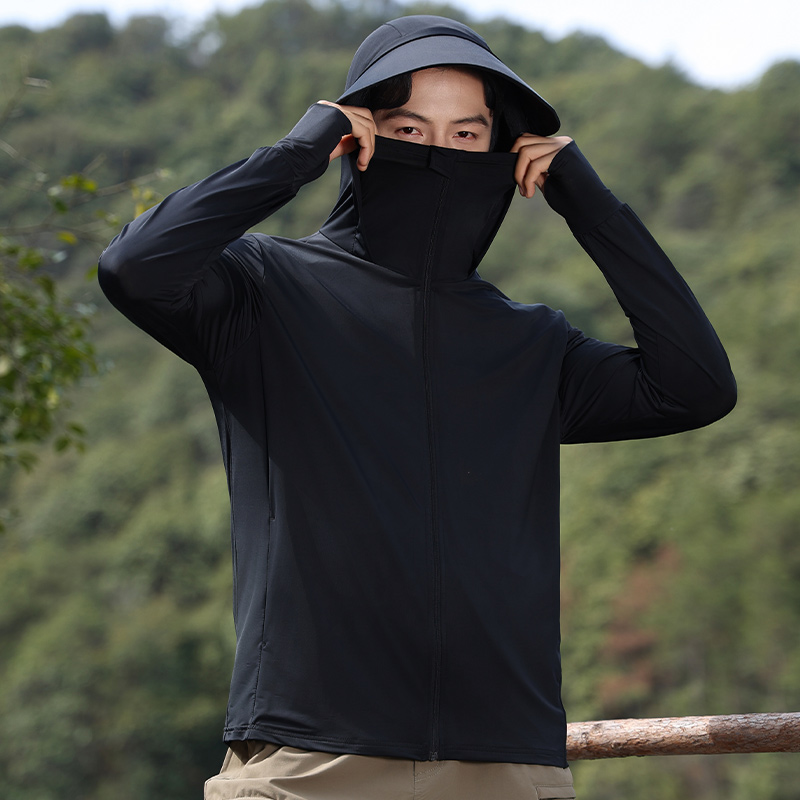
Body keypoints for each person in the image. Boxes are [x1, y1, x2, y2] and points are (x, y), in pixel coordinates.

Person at [98, 15, 736, 800]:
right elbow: (134, 267)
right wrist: (297, 152)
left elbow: (695, 386)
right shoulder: (264, 293)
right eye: (408, 129)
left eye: (468, 135)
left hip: (507, 765)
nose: (439, 153)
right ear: (358, 134)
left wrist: (590, 206)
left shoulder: (532, 344)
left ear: (505, 151)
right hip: (311, 761)